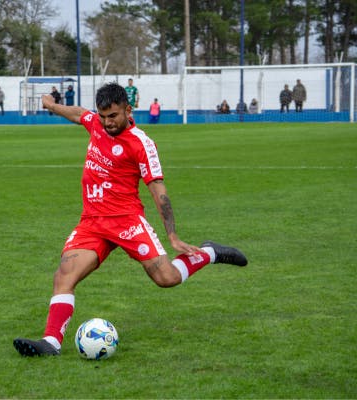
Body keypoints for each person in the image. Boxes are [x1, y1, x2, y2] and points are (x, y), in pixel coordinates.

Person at [13, 82, 248, 357]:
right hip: (92, 221)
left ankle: (209, 253)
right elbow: (80, 114)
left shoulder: (141, 144)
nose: (107, 122)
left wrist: (172, 235)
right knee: (64, 275)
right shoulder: (97, 123)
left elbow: (158, 191)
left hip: (127, 221)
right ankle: (50, 343)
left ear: (128, 110)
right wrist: (52, 106)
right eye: (103, 116)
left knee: (166, 278)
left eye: (113, 116)